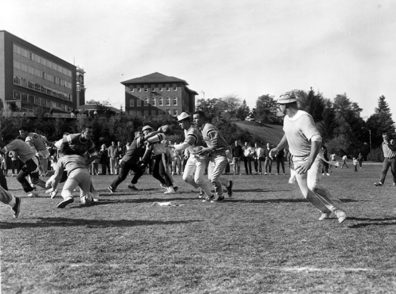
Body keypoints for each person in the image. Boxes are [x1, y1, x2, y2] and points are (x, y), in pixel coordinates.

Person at [270, 91, 347, 224]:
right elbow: (287, 134)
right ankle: (325, 210)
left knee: (313, 187)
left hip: (312, 156)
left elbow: (316, 140)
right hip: (297, 160)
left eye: (279, 105)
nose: (278, 108)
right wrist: (277, 148)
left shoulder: (304, 117)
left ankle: (338, 210)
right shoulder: (286, 118)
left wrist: (310, 161)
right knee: (306, 194)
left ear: (286, 105)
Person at [169, 112, 214, 199]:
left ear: (186, 122)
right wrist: (187, 152)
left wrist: (172, 146)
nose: (179, 124)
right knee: (186, 178)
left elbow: (184, 145)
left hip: (201, 157)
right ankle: (202, 187)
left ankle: (211, 195)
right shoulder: (186, 130)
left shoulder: (193, 131)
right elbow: (188, 144)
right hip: (193, 156)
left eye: (181, 122)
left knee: (198, 179)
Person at [193, 110, 233, 201]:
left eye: (197, 118)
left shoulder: (209, 128)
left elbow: (215, 145)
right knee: (211, 178)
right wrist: (202, 150)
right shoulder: (202, 129)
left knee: (214, 179)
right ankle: (228, 184)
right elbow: (211, 146)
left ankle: (220, 196)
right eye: (194, 119)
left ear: (202, 118)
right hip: (213, 156)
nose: (195, 120)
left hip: (221, 155)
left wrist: (203, 150)